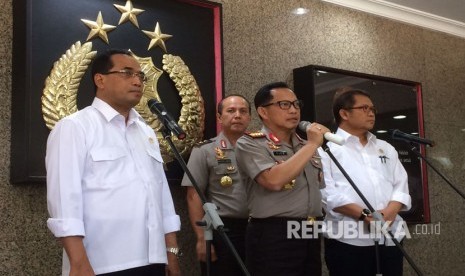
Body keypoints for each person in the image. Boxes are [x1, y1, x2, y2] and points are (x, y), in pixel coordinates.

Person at [45, 49, 181, 276]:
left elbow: (162, 196)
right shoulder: (75, 127)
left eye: (140, 76)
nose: (137, 81)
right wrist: (78, 263)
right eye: (127, 73)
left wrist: (171, 250)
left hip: (153, 259)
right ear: (100, 79)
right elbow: (64, 200)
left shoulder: (146, 131)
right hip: (103, 263)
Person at [235, 82, 328, 276]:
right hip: (274, 233)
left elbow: (320, 188)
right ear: (263, 112)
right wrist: (312, 146)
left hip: (310, 230)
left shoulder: (304, 144)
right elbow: (273, 181)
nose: (293, 110)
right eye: (284, 105)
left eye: (296, 104)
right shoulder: (250, 143)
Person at [320, 88, 412, 276]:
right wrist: (365, 216)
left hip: (390, 236)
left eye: (372, 108)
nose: (371, 113)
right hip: (348, 239)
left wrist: (389, 212)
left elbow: (401, 185)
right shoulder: (325, 150)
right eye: (364, 108)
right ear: (344, 113)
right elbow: (327, 194)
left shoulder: (385, 147)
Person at [181, 95, 251, 276]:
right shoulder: (204, 150)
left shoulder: (261, 148)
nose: (237, 115)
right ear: (219, 117)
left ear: (250, 117)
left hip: (259, 229)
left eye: (243, 111)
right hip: (223, 230)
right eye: (231, 111)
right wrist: (201, 238)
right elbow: (193, 195)